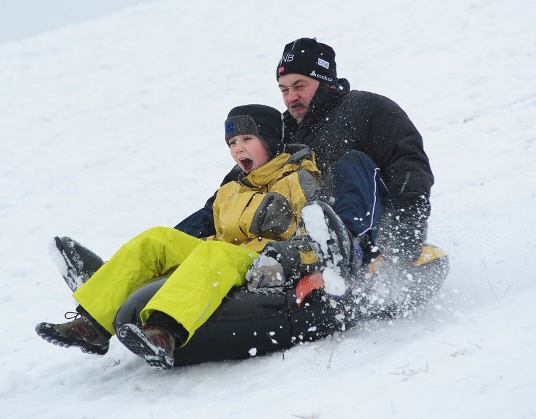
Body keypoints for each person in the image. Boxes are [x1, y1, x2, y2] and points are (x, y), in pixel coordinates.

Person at [35, 104, 321, 369]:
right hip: (219, 254)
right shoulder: (231, 188)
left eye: (247, 139)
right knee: (156, 240)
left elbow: (317, 236)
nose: (238, 149)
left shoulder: (296, 179)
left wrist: (285, 255)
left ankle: (163, 333)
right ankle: (91, 327)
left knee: (213, 253)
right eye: (232, 143)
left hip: (260, 262)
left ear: (269, 140)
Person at [176, 37, 443, 321]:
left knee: (353, 162)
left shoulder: (367, 108)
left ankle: (347, 247)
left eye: (299, 86)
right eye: (284, 89)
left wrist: (403, 239)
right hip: (306, 241)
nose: (291, 97)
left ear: (325, 80)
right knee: (226, 201)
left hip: (373, 229)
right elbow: (242, 183)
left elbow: (409, 167)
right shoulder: (284, 130)